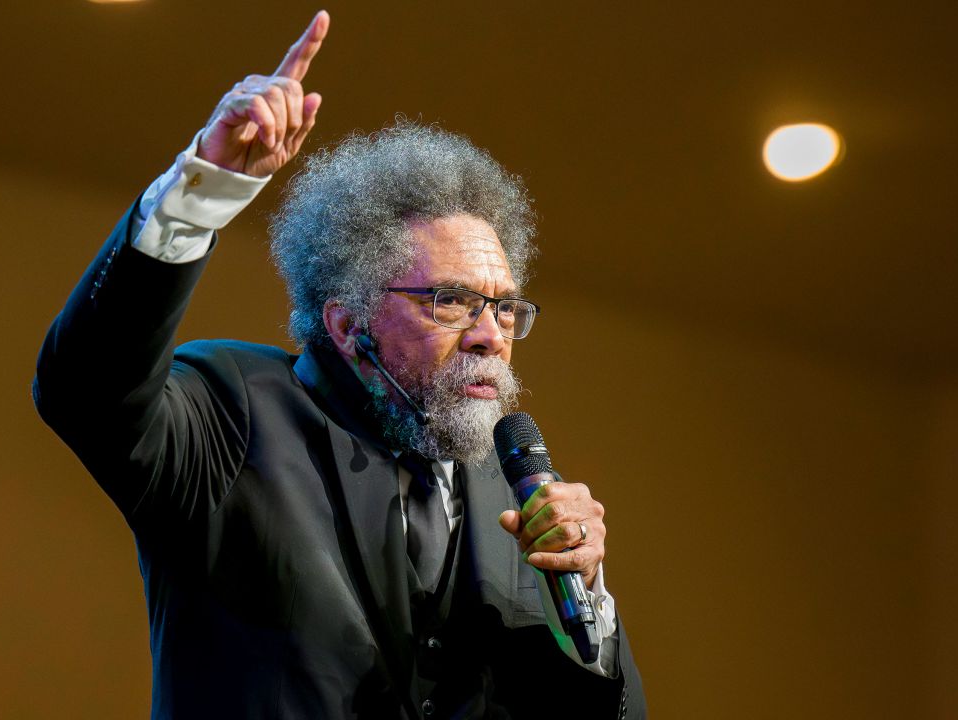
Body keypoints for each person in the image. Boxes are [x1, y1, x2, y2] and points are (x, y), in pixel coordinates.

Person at [32, 10, 644, 719]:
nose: (491, 335)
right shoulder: (235, 414)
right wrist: (204, 190)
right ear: (348, 322)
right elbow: (85, 389)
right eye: (452, 301)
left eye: (506, 307)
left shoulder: (521, 500)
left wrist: (590, 596)